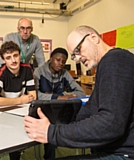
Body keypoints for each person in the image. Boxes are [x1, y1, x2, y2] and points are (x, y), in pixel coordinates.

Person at [24, 25, 134, 160]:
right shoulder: (108, 64)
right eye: (74, 55)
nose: (77, 58)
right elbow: (90, 110)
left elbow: (110, 123)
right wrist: (56, 122)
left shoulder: (115, 61)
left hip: (123, 154)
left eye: (78, 50)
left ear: (94, 38)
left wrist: (52, 132)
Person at [34, 47, 86, 160]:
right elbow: (35, 95)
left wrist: (68, 96)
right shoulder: (39, 72)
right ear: (51, 59)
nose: (61, 63)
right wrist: (59, 97)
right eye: (58, 60)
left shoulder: (65, 73)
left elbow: (81, 93)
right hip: (43, 110)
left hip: (60, 110)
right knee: (51, 126)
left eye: (63, 61)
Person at [0, 41, 36, 160]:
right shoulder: (1, 72)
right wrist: (20, 100)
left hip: (20, 112)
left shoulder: (27, 69)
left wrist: (20, 101)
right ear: (4, 60)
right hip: (3, 113)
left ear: (20, 56)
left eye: (15, 56)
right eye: (8, 58)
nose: (13, 60)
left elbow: (33, 96)